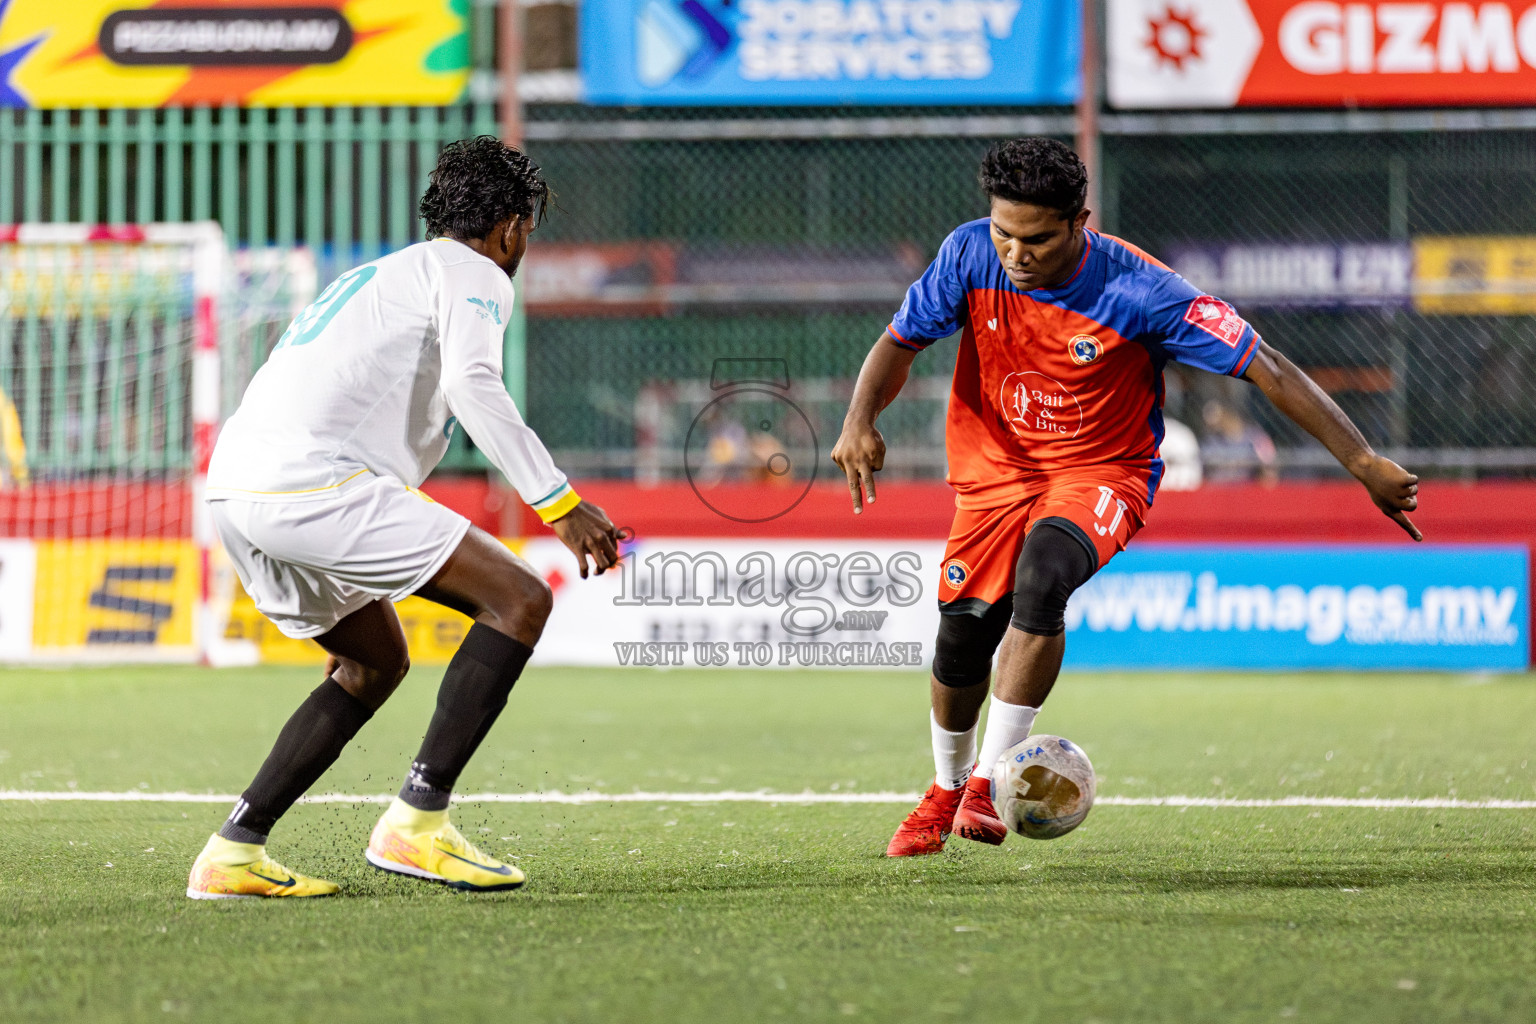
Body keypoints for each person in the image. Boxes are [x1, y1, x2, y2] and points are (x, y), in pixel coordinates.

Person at [830, 138, 1420, 858]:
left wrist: (1361, 459)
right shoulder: (966, 255)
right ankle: (945, 788)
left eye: (1037, 238)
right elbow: (899, 341)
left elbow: (1264, 365)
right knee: (963, 632)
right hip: (995, 472)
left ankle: (988, 782)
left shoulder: (1144, 290)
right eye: (1003, 233)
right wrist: (860, 419)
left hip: (1102, 472)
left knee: (1043, 577)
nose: (1016, 253)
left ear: (1081, 220)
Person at [186, 136, 621, 898]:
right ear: (513, 228)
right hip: (313, 484)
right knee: (520, 598)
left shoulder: (379, 273)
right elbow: (473, 384)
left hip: (236, 492)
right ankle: (418, 823)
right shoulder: (475, 271)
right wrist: (560, 502)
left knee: (373, 661)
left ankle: (234, 851)